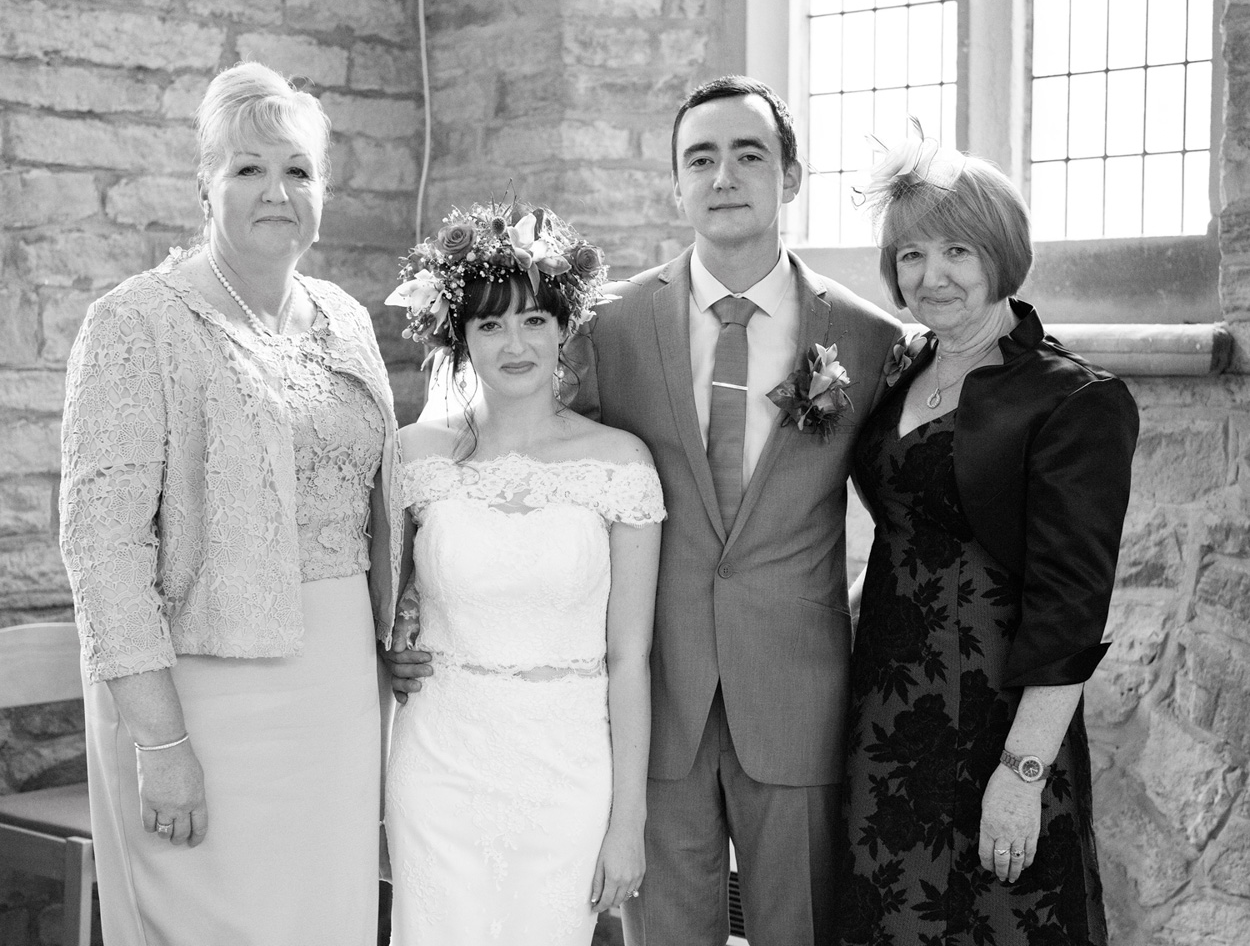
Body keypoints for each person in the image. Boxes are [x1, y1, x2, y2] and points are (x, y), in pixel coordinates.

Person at [58, 61, 404, 946]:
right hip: (200, 696)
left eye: (299, 170)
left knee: (324, 920)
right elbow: (102, 549)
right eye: (249, 168)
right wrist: (161, 743)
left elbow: (382, 497)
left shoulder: (347, 318)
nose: (277, 191)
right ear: (204, 186)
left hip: (339, 691)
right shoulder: (136, 322)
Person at [569, 76, 902, 944]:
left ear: (790, 177)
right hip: (655, 700)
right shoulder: (608, 328)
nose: (724, 177)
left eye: (749, 155)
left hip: (798, 696)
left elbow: (908, 519)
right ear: (675, 186)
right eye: (701, 159)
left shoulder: (867, 339)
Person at [833, 123, 1138, 944]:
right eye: (911, 255)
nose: (931, 276)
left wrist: (1023, 771)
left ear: (1000, 254)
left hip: (996, 723)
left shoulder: (1072, 399)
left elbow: (1073, 606)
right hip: (885, 712)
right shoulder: (903, 371)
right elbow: (911, 528)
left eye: (957, 251)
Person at [381, 199, 664, 945]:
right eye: (490, 324)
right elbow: (378, 610)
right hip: (437, 765)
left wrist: (627, 822)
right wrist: (392, 650)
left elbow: (631, 658)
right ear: (459, 336)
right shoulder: (413, 455)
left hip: (565, 772)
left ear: (565, 327)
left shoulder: (620, 463)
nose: (515, 343)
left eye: (534, 319)